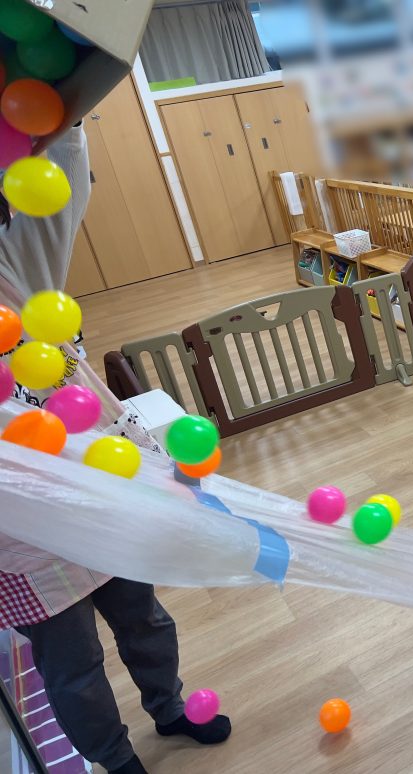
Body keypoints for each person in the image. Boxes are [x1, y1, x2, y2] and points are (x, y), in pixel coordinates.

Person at [0, 125, 230, 774]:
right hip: (24, 538)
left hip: (103, 490)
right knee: (73, 666)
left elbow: (60, 188)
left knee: (145, 620)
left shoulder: (15, 276)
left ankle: (170, 709)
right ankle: (115, 759)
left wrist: (64, 120)